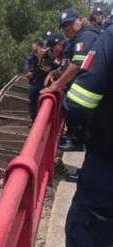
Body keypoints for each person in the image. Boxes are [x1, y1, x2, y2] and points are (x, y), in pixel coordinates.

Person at [64, 25, 113, 247]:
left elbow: (78, 102)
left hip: (106, 169)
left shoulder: (110, 37)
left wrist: (81, 131)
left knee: (88, 232)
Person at [40, 8, 100, 151]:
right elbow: (65, 69)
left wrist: (55, 85)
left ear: (79, 19)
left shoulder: (86, 36)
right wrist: (54, 73)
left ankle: (78, 140)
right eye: (65, 27)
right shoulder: (76, 38)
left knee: (71, 101)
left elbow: (75, 67)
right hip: (99, 81)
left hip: (103, 84)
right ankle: (79, 141)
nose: (68, 29)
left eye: (70, 24)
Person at [26, 38, 54, 122]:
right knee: (33, 95)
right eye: (34, 52)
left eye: (36, 51)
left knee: (45, 100)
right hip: (36, 80)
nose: (35, 54)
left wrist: (51, 69)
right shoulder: (35, 55)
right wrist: (27, 70)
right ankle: (33, 119)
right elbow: (28, 59)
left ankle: (45, 120)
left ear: (43, 47)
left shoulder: (51, 56)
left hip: (46, 82)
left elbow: (60, 66)